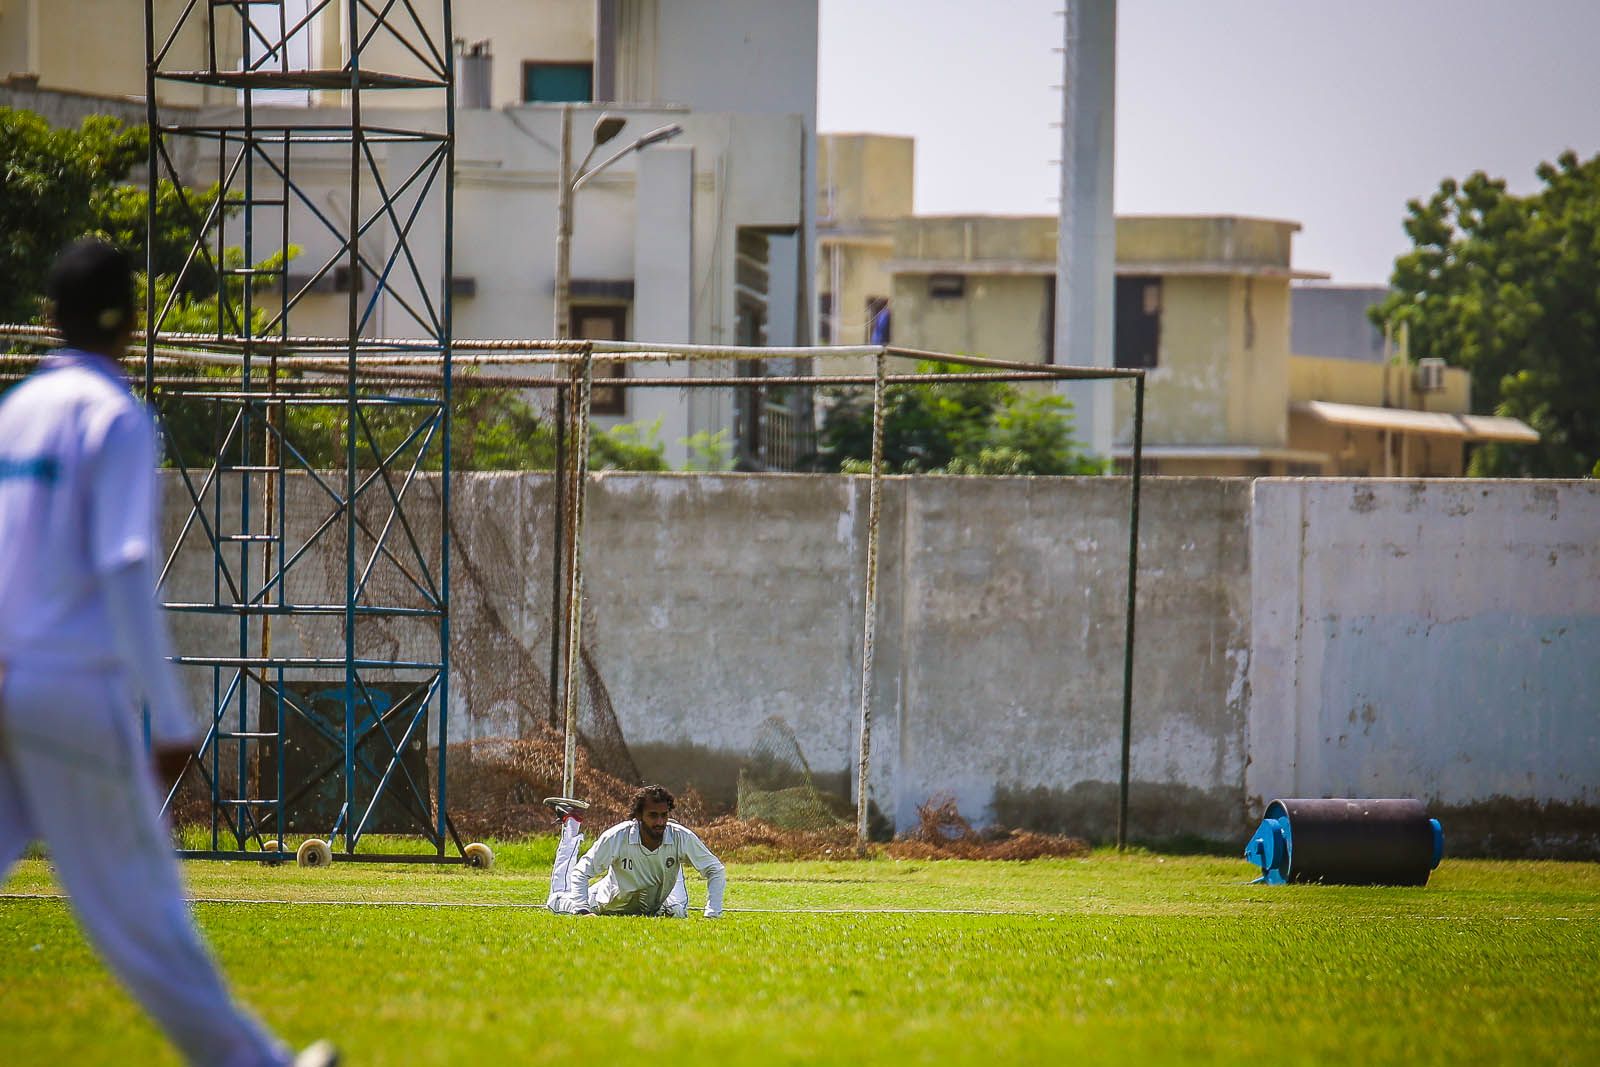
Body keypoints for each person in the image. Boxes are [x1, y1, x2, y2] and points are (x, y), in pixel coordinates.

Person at [0, 239, 337, 1067]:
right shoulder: (114, 416)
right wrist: (173, 717)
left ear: (50, 316)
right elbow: (122, 566)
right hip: (70, 690)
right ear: (133, 324)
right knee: (143, 910)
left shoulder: (16, 411)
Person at [545, 784, 726, 918]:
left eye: (664, 815)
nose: (660, 822)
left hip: (654, 908)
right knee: (555, 900)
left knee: (679, 911)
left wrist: (713, 913)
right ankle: (571, 823)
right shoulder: (617, 837)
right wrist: (582, 910)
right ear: (638, 816)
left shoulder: (680, 836)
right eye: (653, 815)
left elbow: (715, 869)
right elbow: (581, 872)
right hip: (606, 905)